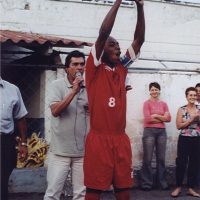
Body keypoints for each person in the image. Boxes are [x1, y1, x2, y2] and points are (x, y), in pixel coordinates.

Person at [84, 0, 145, 199]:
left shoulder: (121, 67)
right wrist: (118, 1)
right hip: (99, 139)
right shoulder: (94, 69)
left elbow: (139, 40)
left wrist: (140, 6)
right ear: (103, 50)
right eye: (112, 45)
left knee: (124, 189)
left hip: (120, 139)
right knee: (94, 190)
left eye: (118, 44)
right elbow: (103, 32)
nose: (118, 47)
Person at [44, 50, 89, 200]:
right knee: (52, 194)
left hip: (82, 153)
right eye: (75, 64)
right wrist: (73, 92)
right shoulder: (56, 85)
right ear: (66, 68)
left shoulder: (89, 88)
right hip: (60, 152)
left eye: (82, 64)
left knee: (81, 195)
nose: (79, 68)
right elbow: (55, 111)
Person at [0, 77, 28, 200]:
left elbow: (20, 118)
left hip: (4, 143)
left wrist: (23, 143)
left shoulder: (12, 89)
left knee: (2, 181)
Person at [140, 82, 171, 191]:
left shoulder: (164, 104)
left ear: (159, 91)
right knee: (147, 159)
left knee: (161, 158)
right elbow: (147, 119)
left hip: (161, 132)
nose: (154, 91)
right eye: (152, 89)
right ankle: (147, 183)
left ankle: (162, 182)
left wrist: (156, 116)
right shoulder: (146, 103)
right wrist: (162, 117)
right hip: (149, 132)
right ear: (150, 91)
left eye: (156, 89)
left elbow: (169, 119)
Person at [171, 87, 200, 198]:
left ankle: (191, 188)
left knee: (194, 163)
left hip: (197, 139)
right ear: (186, 96)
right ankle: (178, 187)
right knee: (181, 163)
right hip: (184, 138)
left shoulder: (199, 108)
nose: (192, 97)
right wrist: (191, 120)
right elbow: (179, 126)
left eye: (194, 95)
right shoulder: (181, 109)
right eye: (190, 95)